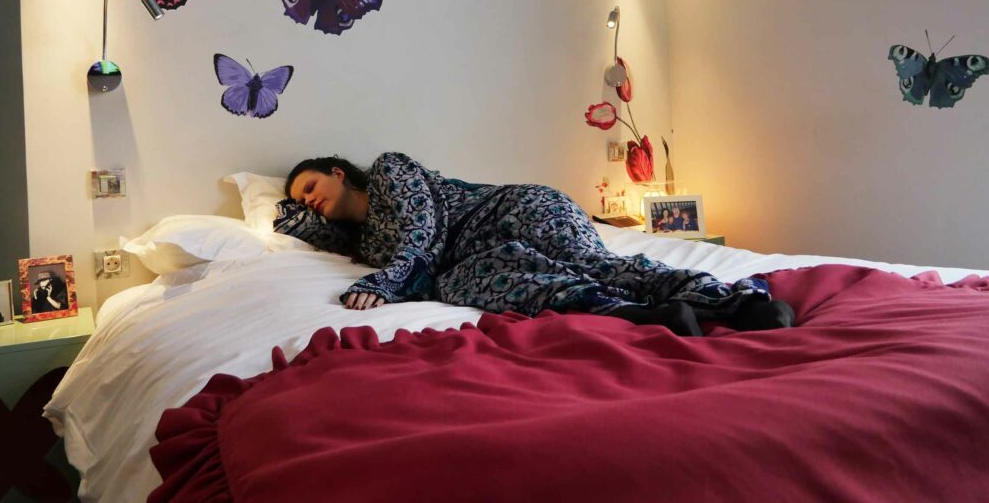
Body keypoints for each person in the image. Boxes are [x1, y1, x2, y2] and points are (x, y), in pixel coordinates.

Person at [274, 152, 794, 337]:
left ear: (339, 173)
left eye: (312, 188)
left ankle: (738, 304)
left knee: (590, 260)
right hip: (472, 258)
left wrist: (386, 281)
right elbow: (286, 224)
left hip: (512, 210)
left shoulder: (391, 169)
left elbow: (422, 234)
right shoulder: (362, 243)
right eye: (304, 199)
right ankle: (646, 316)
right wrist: (287, 209)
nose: (310, 202)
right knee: (465, 284)